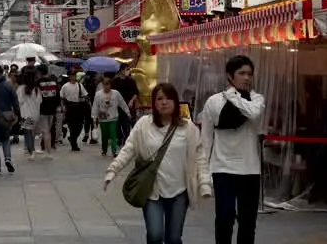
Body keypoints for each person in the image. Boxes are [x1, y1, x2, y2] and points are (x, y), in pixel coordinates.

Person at [104, 83, 204, 244]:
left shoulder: (188, 128)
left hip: (179, 192)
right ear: (154, 102)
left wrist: (205, 184)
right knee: (155, 235)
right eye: (159, 98)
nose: (164, 102)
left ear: (176, 102)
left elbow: (200, 158)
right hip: (152, 191)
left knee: (174, 238)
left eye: (168, 98)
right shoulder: (144, 124)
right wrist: (112, 170)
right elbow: (129, 148)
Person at [198, 55, 266, 244]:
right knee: (224, 218)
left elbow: (253, 113)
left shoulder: (256, 99)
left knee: (248, 222)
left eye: (249, 74)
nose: (246, 78)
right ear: (229, 75)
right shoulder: (214, 102)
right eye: (241, 73)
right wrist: (204, 175)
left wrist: (233, 96)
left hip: (250, 169)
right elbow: (206, 140)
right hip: (222, 168)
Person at [93, 76, 131, 156]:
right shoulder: (98, 94)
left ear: (111, 85)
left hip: (113, 117)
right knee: (104, 135)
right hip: (103, 118)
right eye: (105, 84)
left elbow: (122, 103)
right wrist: (94, 117)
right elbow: (95, 106)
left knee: (113, 134)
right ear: (102, 85)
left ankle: (114, 151)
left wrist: (127, 112)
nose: (107, 86)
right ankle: (104, 149)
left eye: (108, 84)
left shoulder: (116, 93)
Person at [60, 71, 89, 151]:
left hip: (79, 107)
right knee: (72, 126)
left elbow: (85, 95)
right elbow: (62, 97)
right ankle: (74, 145)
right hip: (69, 108)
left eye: (74, 76)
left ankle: (72, 138)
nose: (73, 77)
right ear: (69, 77)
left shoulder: (80, 85)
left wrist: (84, 99)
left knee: (80, 126)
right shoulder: (65, 86)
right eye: (72, 76)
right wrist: (63, 107)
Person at [113, 64, 141, 143]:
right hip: (118, 105)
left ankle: (126, 138)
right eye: (126, 69)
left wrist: (132, 101)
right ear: (121, 70)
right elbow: (113, 93)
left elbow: (136, 93)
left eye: (129, 69)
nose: (128, 71)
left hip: (128, 103)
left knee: (126, 122)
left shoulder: (131, 81)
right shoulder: (115, 81)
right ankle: (120, 137)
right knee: (117, 122)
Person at [37, 70, 60, 157]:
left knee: (45, 131)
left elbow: (37, 97)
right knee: (48, 130)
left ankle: (48, 152)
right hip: (52, 109)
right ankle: (48, 150)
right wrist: (57, 106)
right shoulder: (53, 83)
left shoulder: (38, 83)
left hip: (43, 109)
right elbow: (57, 96)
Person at [82, 68, 101, 144]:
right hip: (94, 103)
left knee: (87, 120)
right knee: (94, 120)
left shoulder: (84, 81)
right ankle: (93, 138)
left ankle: (86, 135)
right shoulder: (95, 83)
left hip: (86, 103)